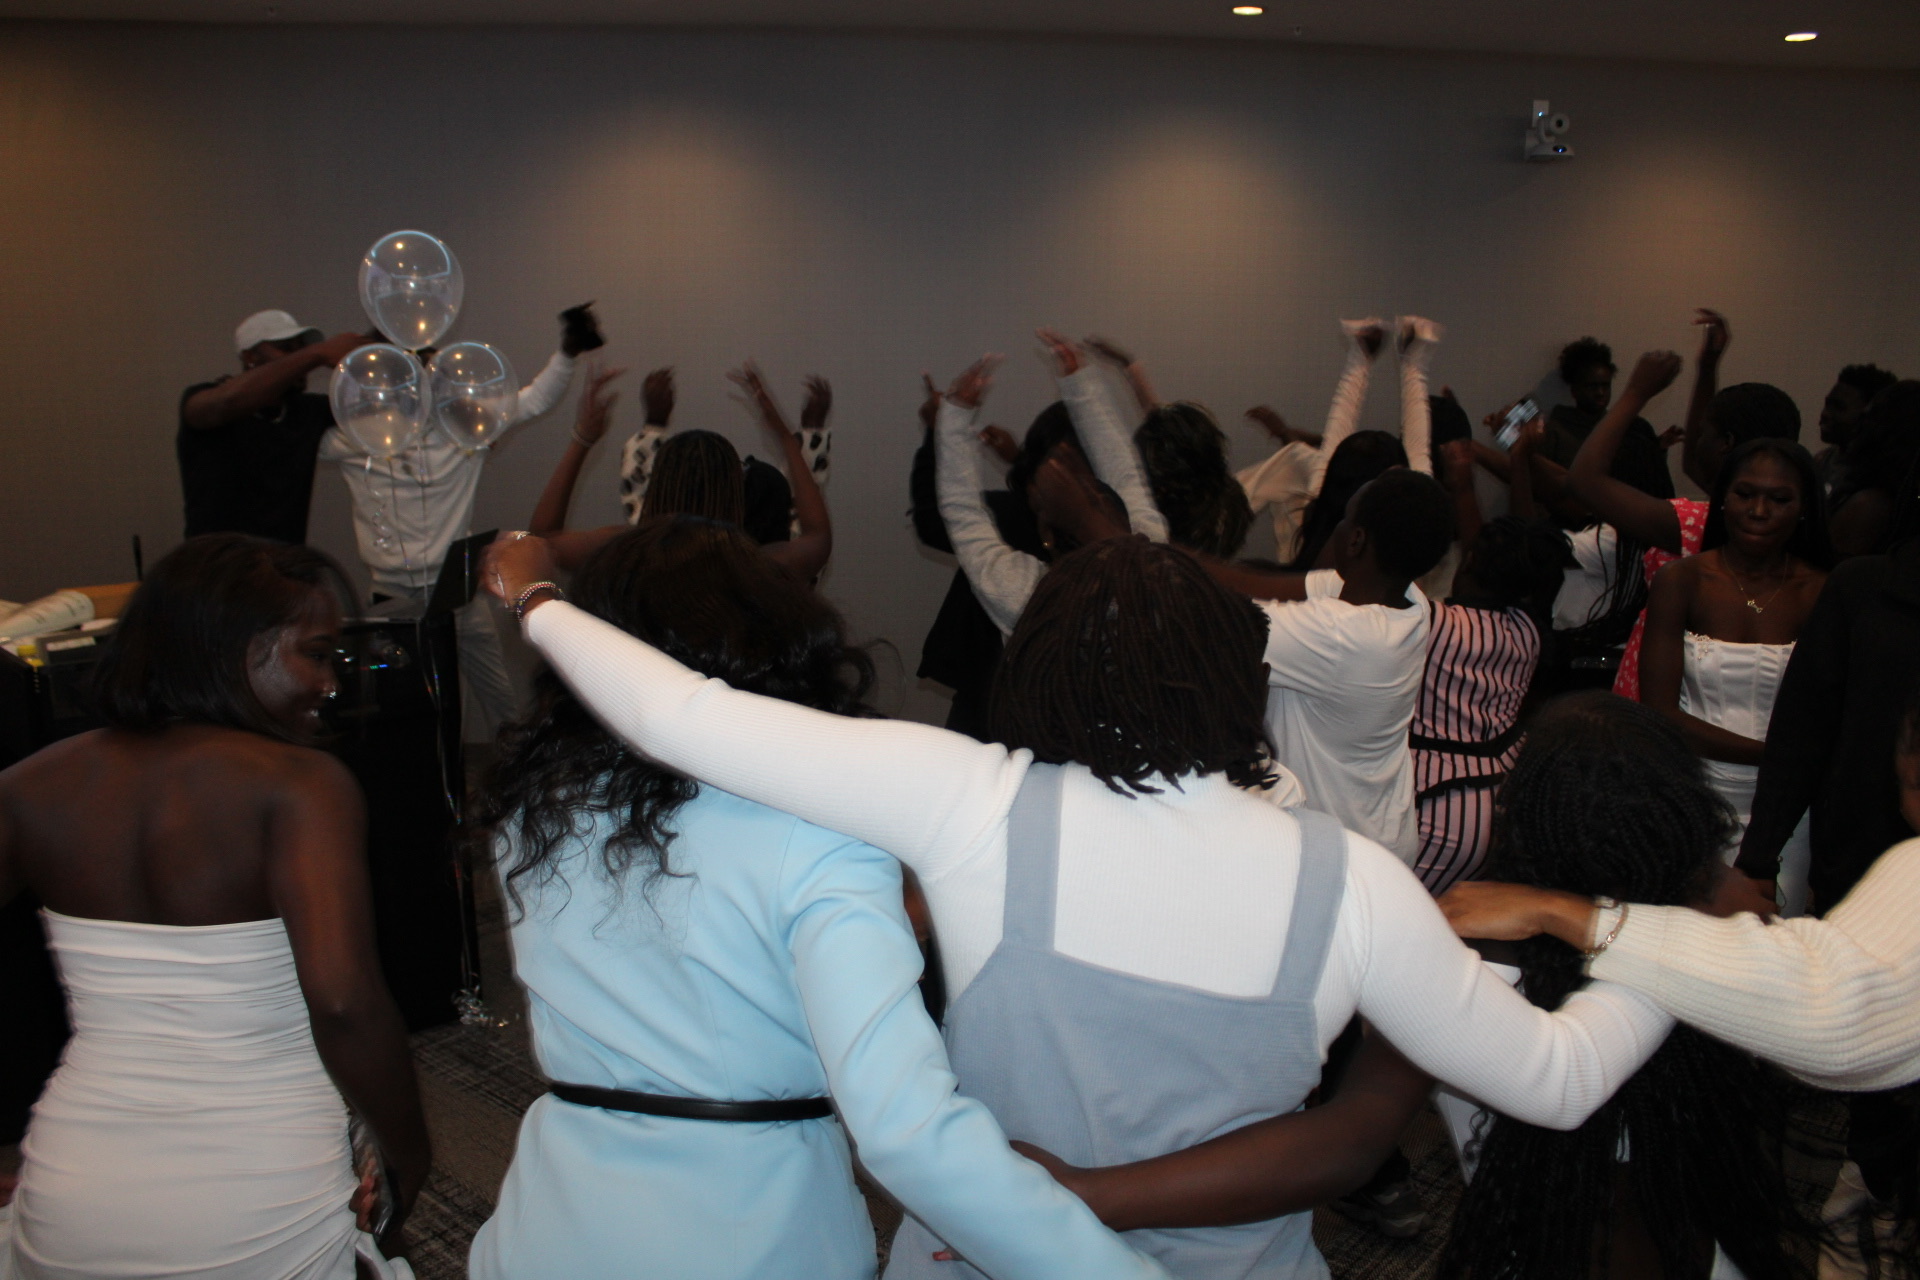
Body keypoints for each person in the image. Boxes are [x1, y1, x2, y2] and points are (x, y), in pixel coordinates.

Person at [483, 501, 1674, 1278]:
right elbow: (1558, 1081)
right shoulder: (1357, 883)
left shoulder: (965, 798)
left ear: (1030, 666)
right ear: (1241, 677)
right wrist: (1675, 943)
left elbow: (683, 715)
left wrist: (536, 596)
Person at [465, 518, 1166, 1280]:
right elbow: (905, 1130)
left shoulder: (538, 811)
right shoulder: (822, 834)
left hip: (551, 1217)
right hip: (752, 1229)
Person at [0, 535, 427, 1279]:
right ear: (239, 649)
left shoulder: (29, 787)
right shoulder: (300, 786)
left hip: (73, 1180)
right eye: (316, 653)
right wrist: (409, 1154)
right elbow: (343, 1002)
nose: (330, 682)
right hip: (258, 1190)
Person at [1433, 693, 1812, 1279]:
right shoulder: (1728, 930)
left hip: (1544, 1243)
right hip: (1706, 1233)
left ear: (1522, 814)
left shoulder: (1471, 973)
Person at [320, 306, 593, 741]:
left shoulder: (462, 428)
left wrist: (567, 352)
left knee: (497, 697)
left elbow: (533, 399)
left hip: (456, 583)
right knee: (409, 702)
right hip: (391, 593)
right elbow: (288, 439)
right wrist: (325, 360)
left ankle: (511, 782)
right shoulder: (357, 437)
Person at [1200, 467, 1455, 861]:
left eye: (1346, 518)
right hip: (1382, 829)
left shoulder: (1342, 635)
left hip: (1346, 848)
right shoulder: (1407, 598)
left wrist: (1097, 524)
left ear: (1355, 540)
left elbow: (1217, 612)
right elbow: (1254, 586)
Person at [1640, 438, 1831, 916]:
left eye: (1780, 499)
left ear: (1804, 508)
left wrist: (1791, 769)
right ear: (1723, 498)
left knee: (1775, 940)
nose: (1759, 510)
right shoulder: (1682, 580)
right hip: (1694, 795)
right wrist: (1777, 756)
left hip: (1789, 809)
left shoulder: (1823, 592)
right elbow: (1659, 714)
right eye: (1746, 494)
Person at [1563, 335, 1802, 701]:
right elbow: (1694, 462)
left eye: (1705, 432)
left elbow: (1583, 480)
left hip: (1665, 701)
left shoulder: (1696, 523)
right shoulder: (1774, 524)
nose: (1695, 440)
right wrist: (1706, 370)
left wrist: (1636, 393)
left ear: (1725, 442)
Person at [1412, 440, 1572, 894]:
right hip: (1499, 806)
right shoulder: (1530, 633)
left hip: (1432, 805)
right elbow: (1484, 553)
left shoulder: (1433, 623)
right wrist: (1463, 488)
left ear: (1472, 562)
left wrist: (1455, 484)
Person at [932, 337, 1166, 636]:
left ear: (1046, 537)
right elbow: (1125, 474)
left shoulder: (1027, 596)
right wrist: (1081, 385)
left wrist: (954, 414)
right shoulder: (1155, 565)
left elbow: (963, 516)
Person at [531, 363, 833, 583]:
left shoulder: (628, 553)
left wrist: (583, 439)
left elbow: (539, 541)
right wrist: (784, 435)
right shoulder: (753, 568)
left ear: (656, 483)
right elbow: (817, 535)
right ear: (734, 494)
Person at [1237, 316, 1440, 568]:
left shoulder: (1326, 510)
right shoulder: (1414, 521)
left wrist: (1362, 358)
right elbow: (1418, 447)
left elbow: (1337, 433)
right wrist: (1413, 361)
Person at [178, 311, 367, 544]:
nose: (300, 360)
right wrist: (317, 353)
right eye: (287, 348)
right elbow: (223, 403)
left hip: (282, 571)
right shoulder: (209, 399)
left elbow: (379, 405)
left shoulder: (307, 411)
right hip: (217, 572)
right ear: (250, 357)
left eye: (302, 348)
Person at [613, 366, 832, 538]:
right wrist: (800, 434)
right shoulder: (769, 573)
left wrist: (654, 423)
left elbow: (641, 505)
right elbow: (813, 531)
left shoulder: (647, 562)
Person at [1534, 335, 1675, 520]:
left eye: (1605, 386)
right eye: (1592, 386)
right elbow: (1543, 487)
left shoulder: (1634, 427)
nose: (1600, 393)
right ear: (1574, 390)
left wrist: (1657, 451)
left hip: (1626, 525)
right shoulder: (1555, 431)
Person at [1829, 381, 1920, 558]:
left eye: (1869, 418)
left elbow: (1832, 576)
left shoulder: (1871, 505)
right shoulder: (1896, 498)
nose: (1858, 425)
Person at [1815, 362, 1898, 493]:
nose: (1825, 413)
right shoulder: (1821, 461)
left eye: (1838, 407)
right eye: (1827, 404)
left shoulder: (1879, 479)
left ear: (1870, 414)